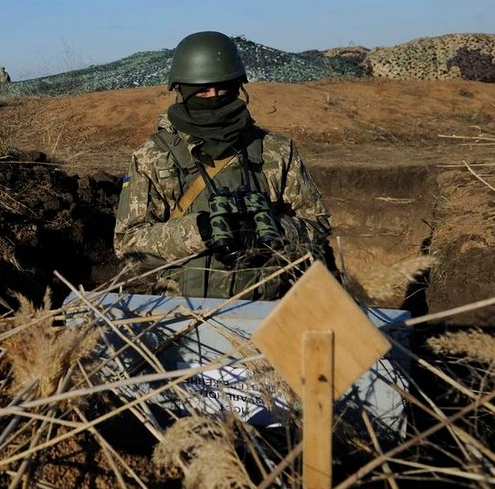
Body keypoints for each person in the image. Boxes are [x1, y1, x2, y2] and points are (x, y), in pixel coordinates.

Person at [114, 31, 333, 300]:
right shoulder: (154, 156)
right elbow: (129, 246)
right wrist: (200, 231)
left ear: (238, 86)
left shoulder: (276, 150)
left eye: (223, 88)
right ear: (182, 91)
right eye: (203, 90)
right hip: (184, 311)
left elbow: (319, 225)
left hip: (270, 308)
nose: (214, 96)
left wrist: (273, 230)